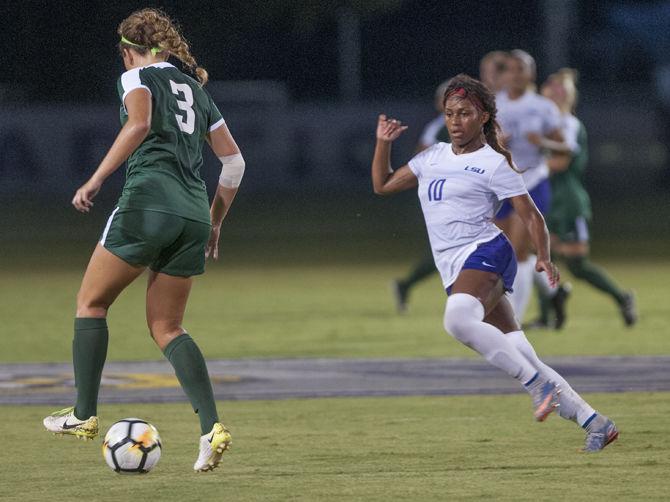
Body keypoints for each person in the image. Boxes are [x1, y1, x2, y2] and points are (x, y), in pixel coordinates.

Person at [42, 8, 245, 472]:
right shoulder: (195, 89)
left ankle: (83, 414)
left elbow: (137, 124)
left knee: (91, 303)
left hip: (148, 203)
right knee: (168, 327)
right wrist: (214, 222)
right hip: (193, 212)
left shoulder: (137, 78)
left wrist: (94, 180)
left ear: (130, 51)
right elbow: (235, 164)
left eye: (124, 55)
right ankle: (211, 427)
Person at [372, 74, 618, 451]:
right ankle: (596, 422)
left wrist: (545, 258)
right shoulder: (432, 157)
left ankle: (534, 385)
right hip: (454, 264)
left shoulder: (493, 163)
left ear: (483, 116)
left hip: (485, 252)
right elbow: (383, 185)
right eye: (450, 113)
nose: (456, 121)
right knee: (522, 352)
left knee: (456, 320)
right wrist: (383, 144)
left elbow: (531, 214)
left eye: (465, 113)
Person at [392, 52, 510, 313]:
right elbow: (418, 160)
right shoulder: (436, 128)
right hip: (449, 195)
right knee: (461, 247)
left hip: (473, 191)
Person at [538, 69, 637, 326]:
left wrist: (529, 166)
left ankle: (622, 297)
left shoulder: (567, 124)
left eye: (558, 89)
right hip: (547, 199)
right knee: (531, 255)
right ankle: (548, 311)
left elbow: (562, 161)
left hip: (567, 201)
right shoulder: (544, 123)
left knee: (576, 264)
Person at [495, 50, 571, 325]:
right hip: (500, 184)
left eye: (521, 69)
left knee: (519, 251)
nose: (515, 74)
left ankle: (512, 319)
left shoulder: (542, 107)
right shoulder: (492, 105)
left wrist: (544, 143)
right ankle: (555, 291)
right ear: (503, 74)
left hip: (532, 183)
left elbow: (564, 148)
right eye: (510, 69)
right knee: (503, 252)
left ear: (531, 74)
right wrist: (497, 142)